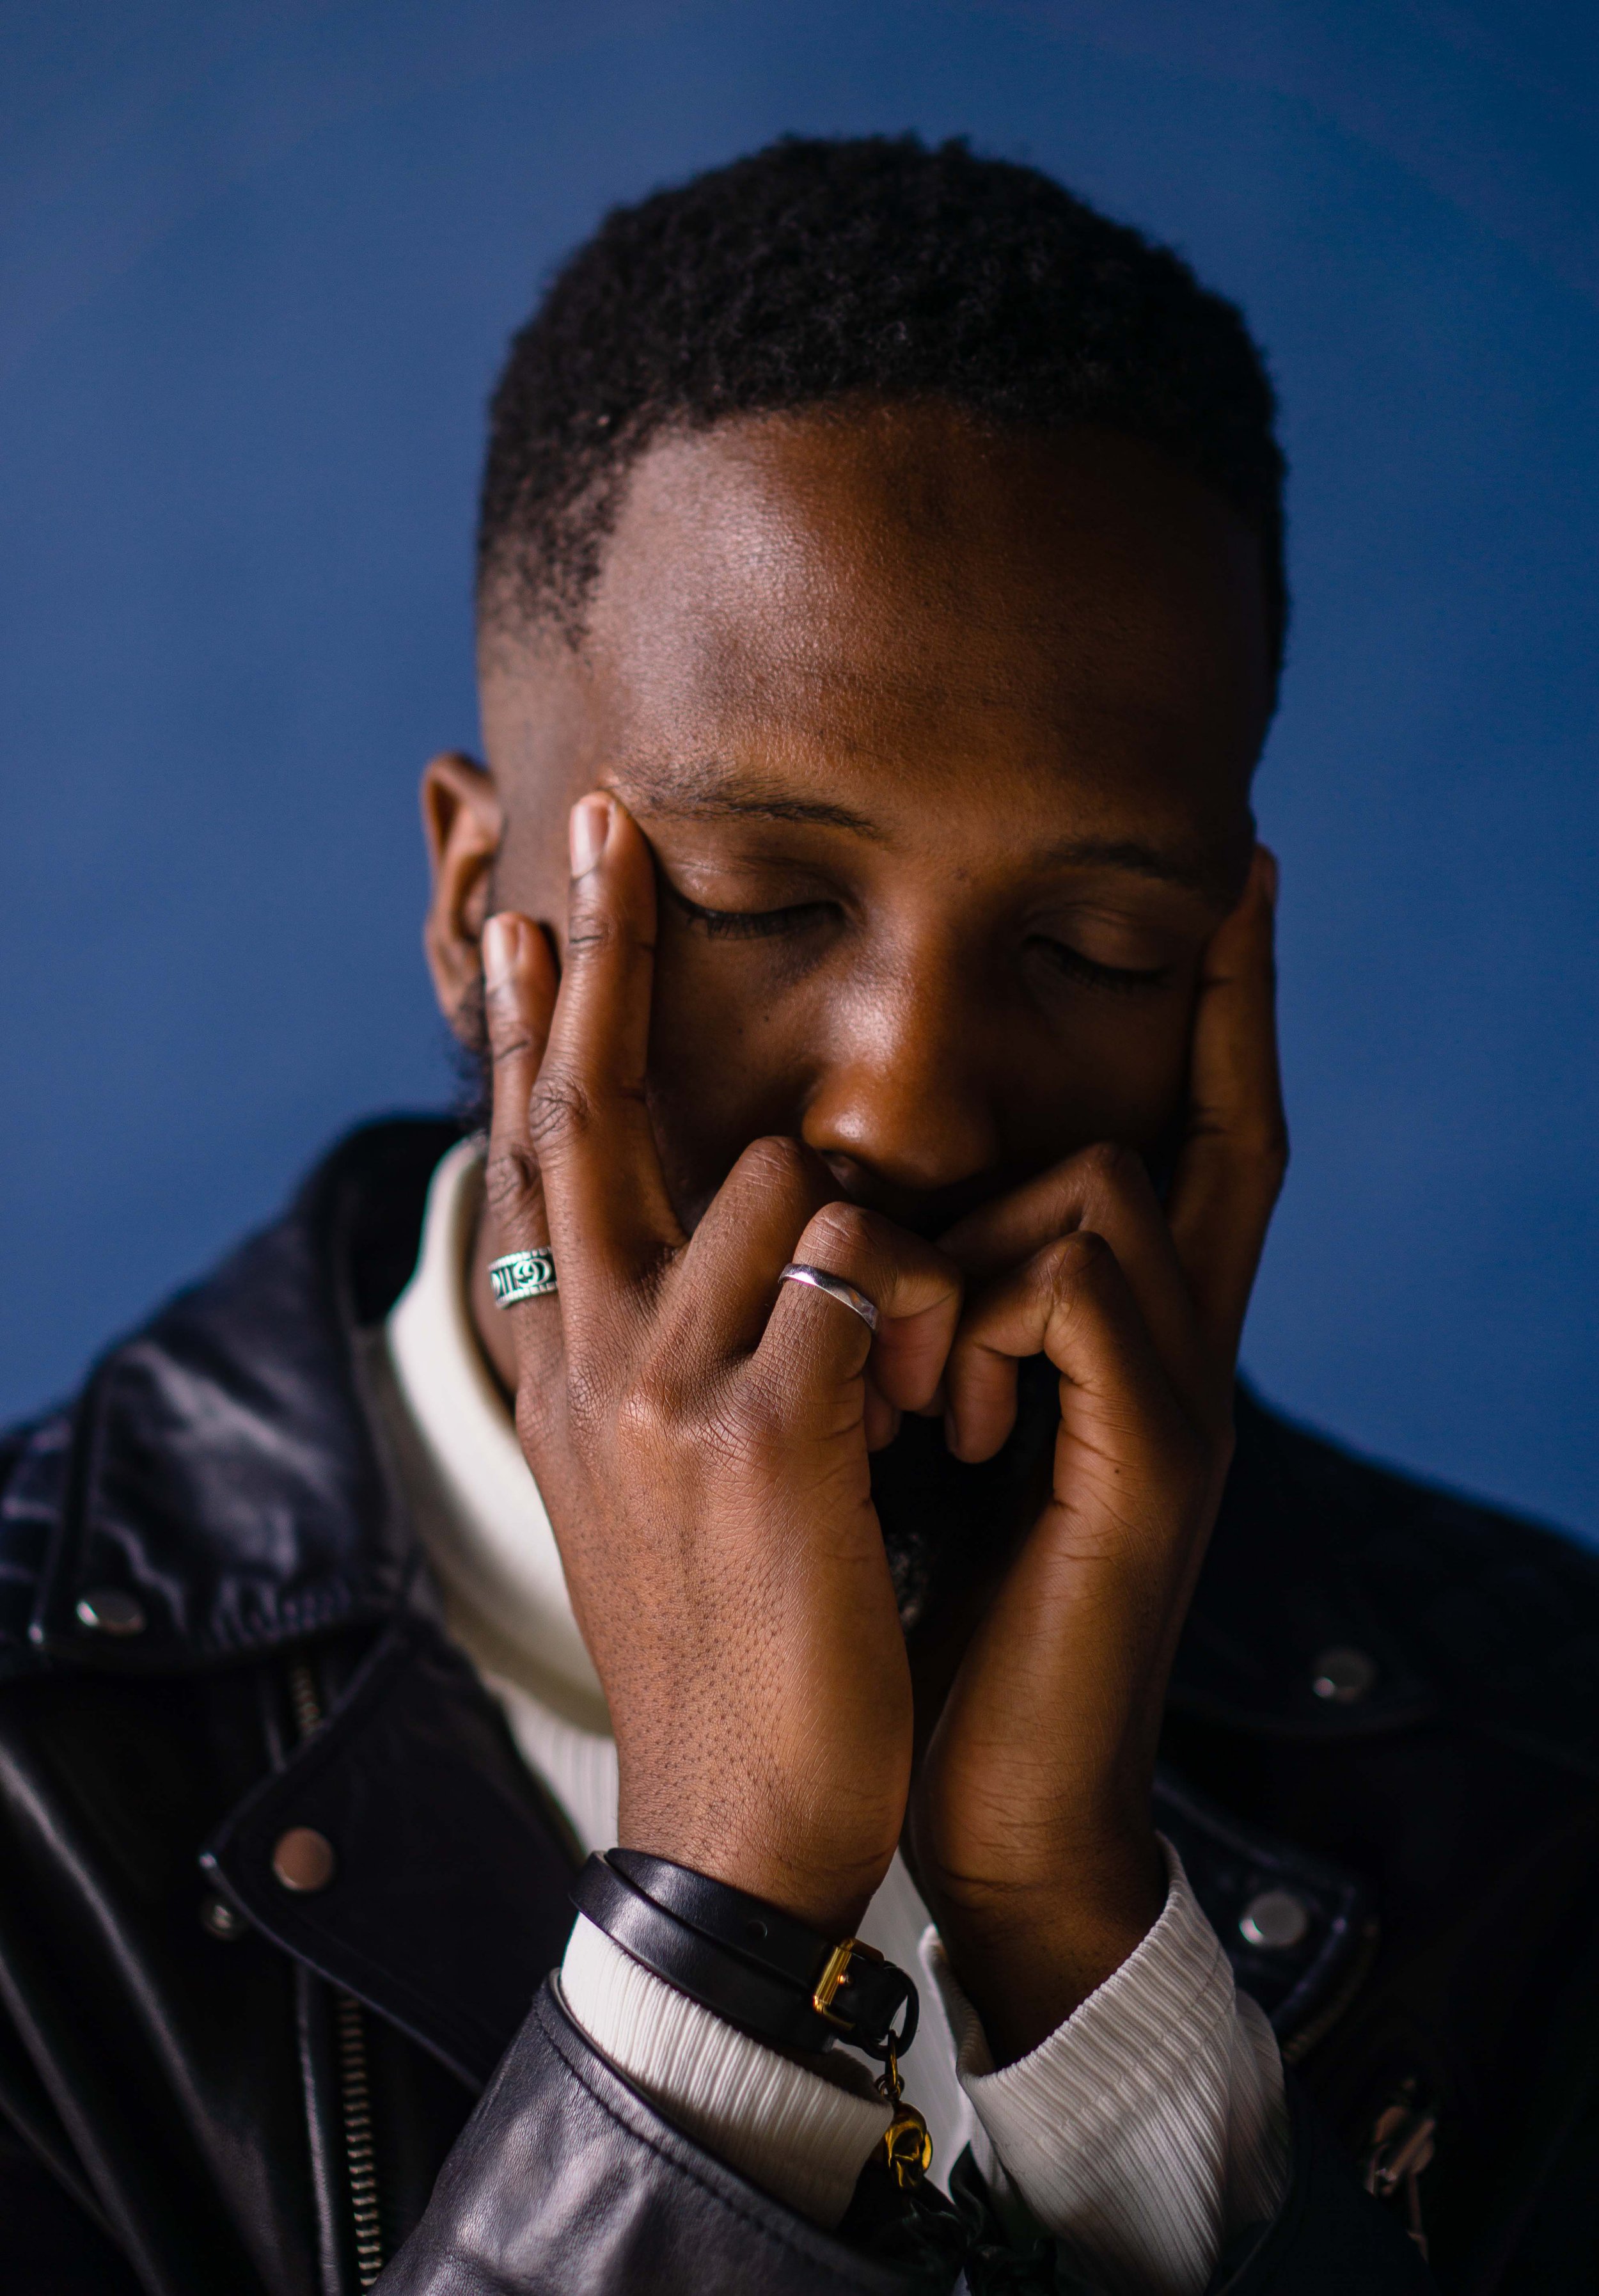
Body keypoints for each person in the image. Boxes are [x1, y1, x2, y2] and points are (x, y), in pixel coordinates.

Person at [2, 136, 1594, 2296]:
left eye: (1103, 946)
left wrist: (1072, 1925)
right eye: (760, 902)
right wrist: (725, 1922)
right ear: (483, 910)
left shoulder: (1543, 1760)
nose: (912, 1102)